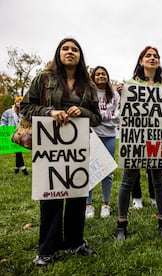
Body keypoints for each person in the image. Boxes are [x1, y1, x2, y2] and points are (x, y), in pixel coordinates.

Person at [20, 38, 101, 266]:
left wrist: (82, 111)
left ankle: (75, 242)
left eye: (74, 49)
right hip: (50, 148)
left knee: (76, 196)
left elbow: (96, 117)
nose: (70, 52)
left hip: (76, 148)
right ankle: (47, 249)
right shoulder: (44, 79)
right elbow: (26, 107)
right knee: (51, 197)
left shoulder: (89, 86)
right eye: (65, 48)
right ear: (58, 53)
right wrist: (49, 112)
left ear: (80, 56)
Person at [116, 46, 162, 240]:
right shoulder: (129, 84)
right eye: (148, 56)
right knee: (127, 182)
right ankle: (121, 225)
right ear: (141, 61)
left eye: (155, 56)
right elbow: (123, 113)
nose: (152, 58)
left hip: (157, 140)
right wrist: (120, 95)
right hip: (135, 140)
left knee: (159, 182)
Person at [85, 66, 120, 219]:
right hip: (92, 135)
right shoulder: (88, 92)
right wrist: (108, 114)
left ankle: (106, 204)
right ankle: (88, 204)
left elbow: (118, 115)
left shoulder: (114, 94)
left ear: (107, 77)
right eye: (98, 74)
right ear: (93, 77)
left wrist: (102, 115)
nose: (100, 76)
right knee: (90, 169)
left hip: (109, 135)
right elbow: (89, 113)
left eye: (103, 74)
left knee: (107, 171)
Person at [1, 96, 29, 175]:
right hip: (12, 133)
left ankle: (17, 168)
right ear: (15, 102)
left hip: (21, 133)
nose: (19, 103)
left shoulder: (24, 112)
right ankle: (23, 169)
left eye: (21, 101)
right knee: (18, 151)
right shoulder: (8, 112)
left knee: (18, 151)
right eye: (18, 101)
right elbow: (3, 121)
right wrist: (4, 129)